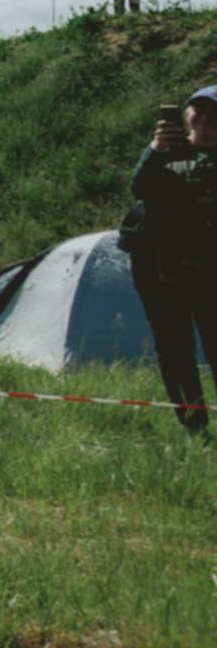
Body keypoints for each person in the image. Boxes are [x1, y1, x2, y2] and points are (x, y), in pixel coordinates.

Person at [130, 87, 217, 433]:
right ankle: (196, 428)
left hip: (210, 266)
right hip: (160, 265)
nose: (205, 118)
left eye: (214, 112)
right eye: (199, 109)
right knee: (174, 350)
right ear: (186, 113)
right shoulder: (165, 150)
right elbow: (140, 189)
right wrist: (156, 149)